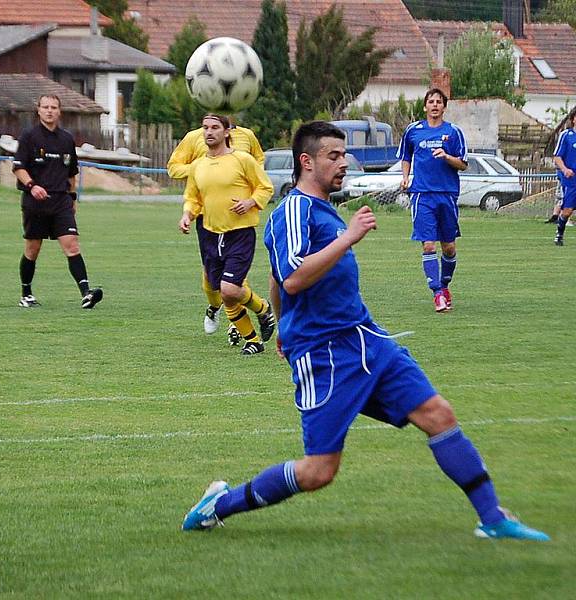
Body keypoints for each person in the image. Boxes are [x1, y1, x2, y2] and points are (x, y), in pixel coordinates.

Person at [181, 120, 549, 541]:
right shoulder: (293, 211)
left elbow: (273, 281)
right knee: (320, 470)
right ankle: (219, 504)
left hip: (365, 339)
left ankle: (493, 518)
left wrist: (281, 325)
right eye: (333, 156)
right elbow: (292, 277)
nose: (343, 164)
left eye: (344, 156)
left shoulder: (322, 209)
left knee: (438, 414)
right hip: (326, 355)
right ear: (306, 162)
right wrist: (348, 238)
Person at [178, 114, 275, 355]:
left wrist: (251, 202)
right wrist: (187, 214)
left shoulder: (242, 160)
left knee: (230, 289)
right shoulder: (198, 166)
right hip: (209, 233)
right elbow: (193, 197)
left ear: (227, 132)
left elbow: (265, 187)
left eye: (214, 127)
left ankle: (263, 308)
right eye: (205, 128)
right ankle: (253, 340)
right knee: (221, 290)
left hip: (239, 233)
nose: (209, 132)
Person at [12, 94, 102, 309]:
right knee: (33, 249)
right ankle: (26, 293)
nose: (49, 111)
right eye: (45, 107)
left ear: (59, 111)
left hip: (61, 201)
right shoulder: (29, 136)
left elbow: (71, 173)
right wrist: (33, 186)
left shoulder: (66, 139)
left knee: (71, 244)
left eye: (54, 107)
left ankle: (86, 293)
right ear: (39, 110)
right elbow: (18, 168)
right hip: (35, 203)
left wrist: (72, 198)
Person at [398, 88, 468, 313]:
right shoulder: (413, 131)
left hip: (447, 194)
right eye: (431, 101)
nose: (435, 105)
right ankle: (437, 293)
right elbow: (406, 157)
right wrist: (406, 178)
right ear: (425, 106)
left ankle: (445, 286)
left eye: (439, 101)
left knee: (448, 247)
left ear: (444, 107)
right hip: (421, 195)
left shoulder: (453, 132)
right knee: (428, 244)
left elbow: (463, 164)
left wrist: (446, 156)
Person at [552, 106, 576, 246]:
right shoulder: (566, 135)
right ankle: (559, 234)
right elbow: (557, 157)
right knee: (567, 210)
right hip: (571, 178)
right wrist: (565, 169)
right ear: (573, 119)